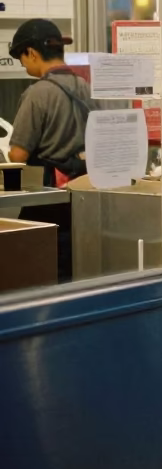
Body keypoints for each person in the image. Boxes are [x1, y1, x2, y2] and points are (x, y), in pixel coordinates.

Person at [7, 18, 96, 282]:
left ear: (32, 53)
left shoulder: (38, 93)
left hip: (50, 203)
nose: (23, 65)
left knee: (45, 273)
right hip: (88, 197)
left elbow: (18, 156)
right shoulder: (88, 89)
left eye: (21, 58)